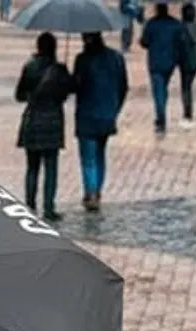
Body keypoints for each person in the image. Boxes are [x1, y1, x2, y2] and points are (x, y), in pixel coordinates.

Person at [15, 31, 73, 222]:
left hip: (32, 121)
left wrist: (32, 96)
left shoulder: (29, 67)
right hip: (52, 122)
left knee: (32, 167)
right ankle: (49, 207)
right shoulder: (59, 69)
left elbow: (19, 95)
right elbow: (68, 92)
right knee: (51, 168)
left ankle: (30, 204)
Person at [71, 31, 128, 211]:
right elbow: (123, 86)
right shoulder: (116, 58)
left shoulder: (82, 60)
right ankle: (97, 190)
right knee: (100, 154)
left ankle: (91, 191)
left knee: (88, 157)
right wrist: (115, 108)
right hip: (107, 114)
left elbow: (76, 86)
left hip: (87, 114)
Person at [140, 1, 184, 133]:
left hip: (155, 62)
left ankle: (161, 117)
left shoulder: (151, 24)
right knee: (163, 88)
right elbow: (180, 42)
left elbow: (145, 42)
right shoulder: (176, 24)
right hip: (170, 62)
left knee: (158, 91)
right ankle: (161, 111)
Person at [179, 2, 196, 123]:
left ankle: (187, 112)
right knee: (188, 85)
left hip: (184, 59)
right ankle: (188, 111)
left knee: (186, 86)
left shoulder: (180, 26)